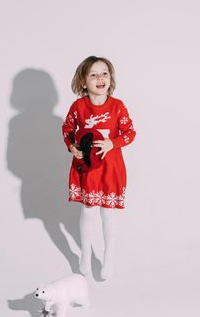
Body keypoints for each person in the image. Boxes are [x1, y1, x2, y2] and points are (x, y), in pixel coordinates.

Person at [62, 56, 136, 279]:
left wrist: (112, 142)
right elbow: (67, 129)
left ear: (110, 78)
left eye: (104, 73)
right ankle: (85, 256)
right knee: (88, 211)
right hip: (88, 168)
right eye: (93, 74)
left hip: (110, 168)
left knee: (108, 214)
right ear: (84, 82)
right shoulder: (78, 107)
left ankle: (108, 258)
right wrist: (72, 146)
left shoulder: (117, 106)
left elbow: (130, 133)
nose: (100, 78)